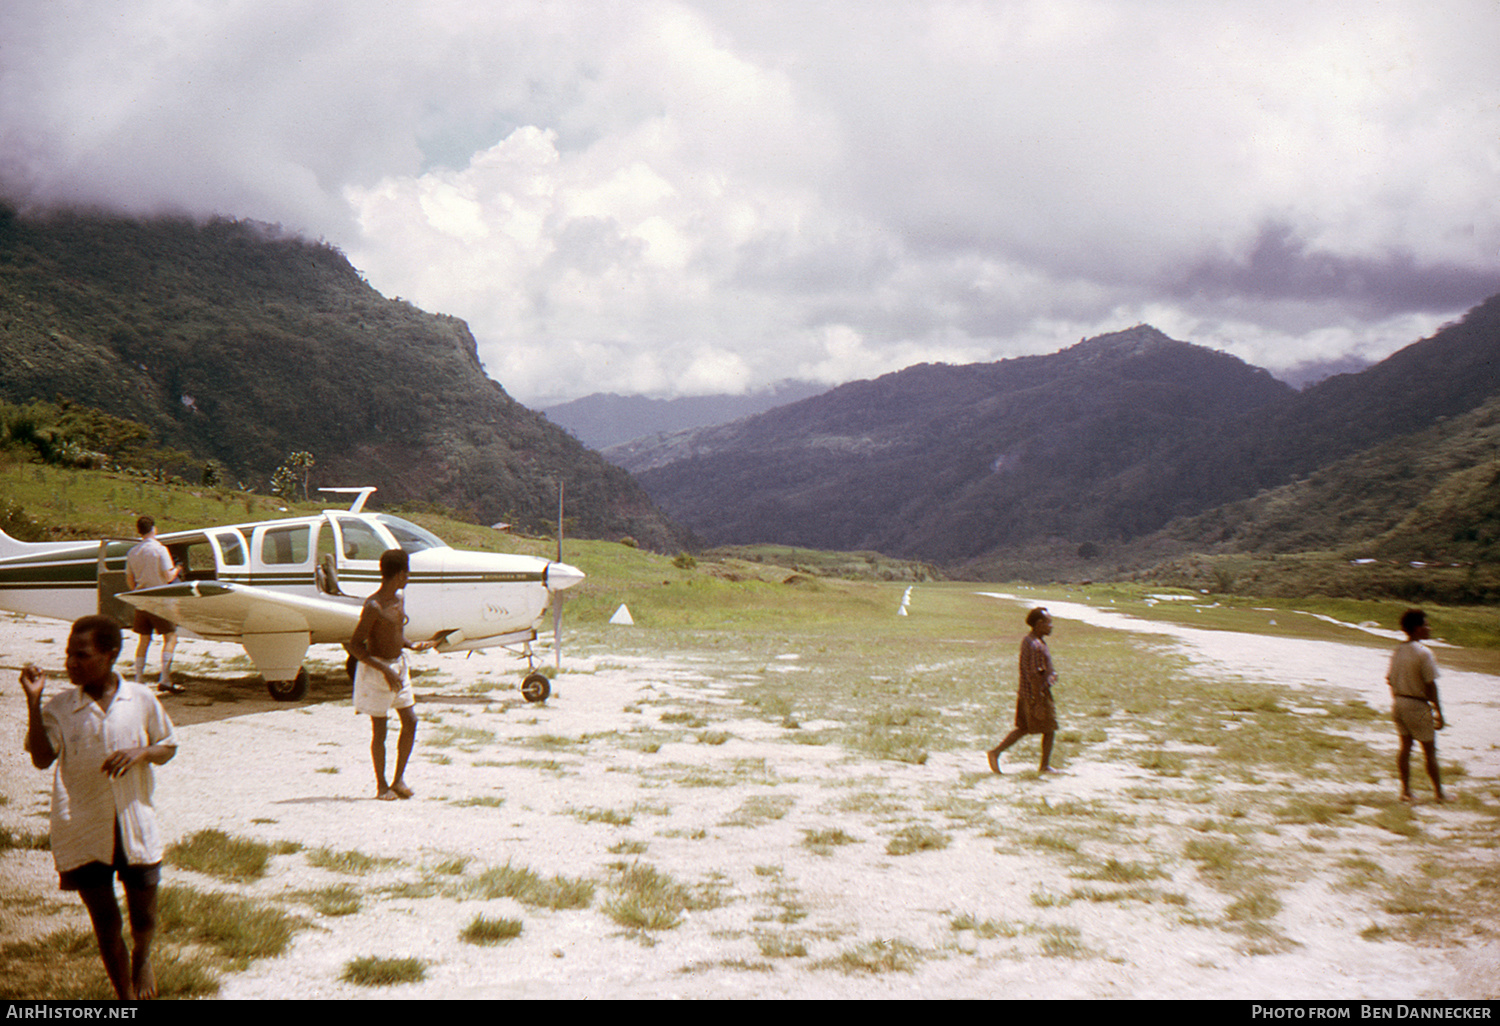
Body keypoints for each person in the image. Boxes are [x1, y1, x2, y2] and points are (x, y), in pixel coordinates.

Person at [19, 614, 178, 1000]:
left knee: (143, 917)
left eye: (82, 654)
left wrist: (141, 751)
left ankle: (142, 957)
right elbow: (41, 758)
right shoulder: (59, 707)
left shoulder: (139, 698)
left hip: (134, 823)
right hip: (83, 825)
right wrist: (35, 700)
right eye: (69, 654)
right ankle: (124, 996)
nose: (71, 662)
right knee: (105, 921)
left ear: (110, 654)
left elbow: (168, 746)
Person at [347, 548, 433, 801]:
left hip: (398, 668)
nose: (408, 577)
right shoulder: (373, 606)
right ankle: (382, 786)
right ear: (399, 574)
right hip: (377, 672)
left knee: (411, 721)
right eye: (407, 572)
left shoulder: (399, 600)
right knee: (380, 730)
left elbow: (395, 634)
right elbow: (354, 645)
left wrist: (411, 644)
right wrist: (384, 670)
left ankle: (398, 780)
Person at [987, 607, 1059, 775]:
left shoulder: (1031, 640)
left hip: (1027, 694)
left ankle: (996, 752)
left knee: (1024, 728)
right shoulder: (1035, 645)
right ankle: (1044, 766)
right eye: (1049, 622)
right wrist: (1038, 702)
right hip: (1036, 694)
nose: (1051, 626)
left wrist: (1051, 676)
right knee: (1050, 729)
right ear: (1039, 624)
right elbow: (1034, 675)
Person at [1387, 608, 1446, 804]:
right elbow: (1431, 685)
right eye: (1426, 625)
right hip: (1417, 704)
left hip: (1399, 702)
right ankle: (1439, 794)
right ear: (1418, 628)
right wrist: (1438, 711)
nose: (1429, 628)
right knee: (1429, 751)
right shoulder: (1424, 652)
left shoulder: (1398, 650)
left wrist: (1398, 699)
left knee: (1405, 747)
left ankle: (1406, 791)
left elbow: (1389, 679)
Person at [125, 515, 181, 694]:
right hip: (160, 600)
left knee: (144, 639)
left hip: (141, 600)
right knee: (171, 637)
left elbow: (130, 579)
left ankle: (139, 679)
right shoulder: (160, 550)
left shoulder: (133, 552)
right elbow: (168, 576)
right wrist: (178, 568)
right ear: (154, 529)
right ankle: (165, 678)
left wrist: (137, 591)